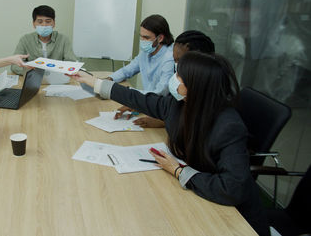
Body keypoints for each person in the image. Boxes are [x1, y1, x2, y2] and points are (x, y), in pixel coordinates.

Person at [69, 52, 270, 236]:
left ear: (196, 87)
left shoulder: (228, 126)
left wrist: (179, 171)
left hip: (234, 218)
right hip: (197, 197)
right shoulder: (179, 104)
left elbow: (231, 189)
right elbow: (140, 99)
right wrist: (94, 82)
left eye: (180, 77)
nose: (174, 80)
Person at [116, 30, 216, 128]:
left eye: (181, 61)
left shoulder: (214, 100)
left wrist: (164, 121)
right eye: (175, 60)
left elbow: (197, 124)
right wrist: (140, 106)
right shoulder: (182, 91)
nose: (177, 66)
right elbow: (169, 107)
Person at [11, 5, 77, 75]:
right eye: (40, 22)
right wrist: (33, 73)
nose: (44, 25)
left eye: (48, 22)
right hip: (33, 78)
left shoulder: (63, 40)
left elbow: (71, 63)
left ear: (54, 23)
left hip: (57, 79)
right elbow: (15, 65)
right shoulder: (25, 40)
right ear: (34, 24)